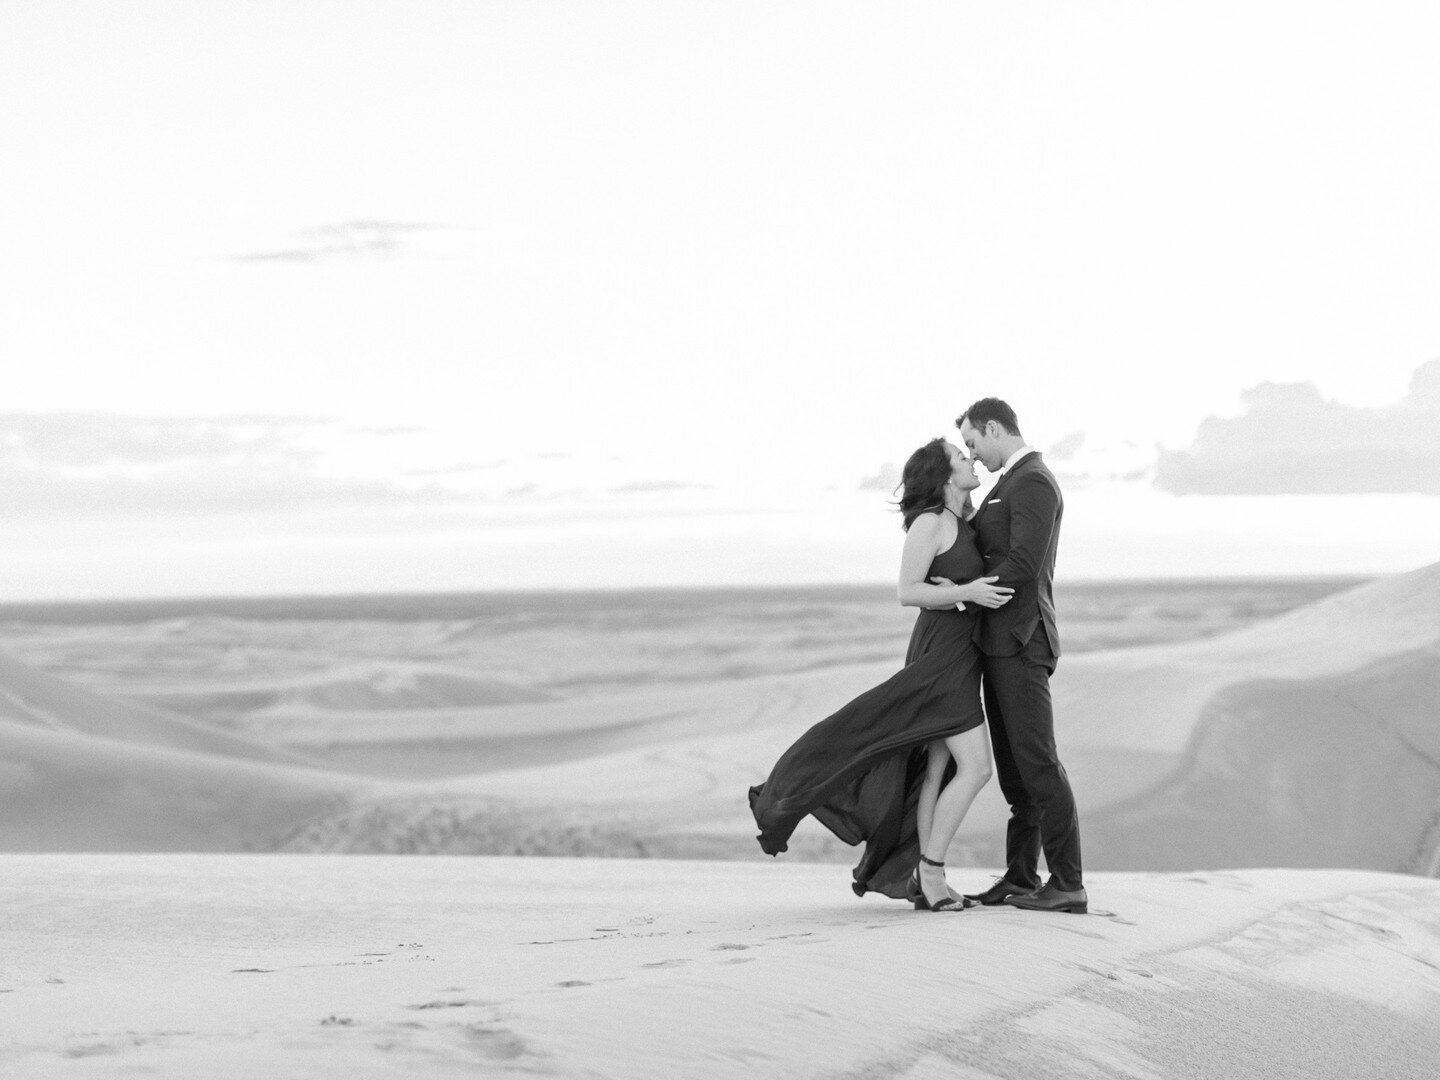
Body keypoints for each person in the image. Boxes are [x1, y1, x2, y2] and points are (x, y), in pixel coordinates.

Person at [748, 437, 1012, 911]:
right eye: (961, 455)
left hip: (959, 657)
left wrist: (960, 590)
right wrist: (967, 591)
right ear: (943, 473)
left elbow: (951, 583)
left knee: (937, 769)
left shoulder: (963, 522)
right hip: (941, 663)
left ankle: (928, 878)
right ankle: (930, 873)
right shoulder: (931, 523)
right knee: (976, 769)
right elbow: (907, 591)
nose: (970, 459)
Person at [955, 398, 1087, 914]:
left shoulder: (1032, 479)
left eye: (972, 443)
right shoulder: (1009, 483)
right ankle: (1021, 875)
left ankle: (1069, 882)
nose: (973, 454)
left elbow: (1024, 563)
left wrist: (962, 590)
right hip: (1001, 643)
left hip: (1022, 640)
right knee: (1015, 771)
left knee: (1038, 762)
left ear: (993, 428)